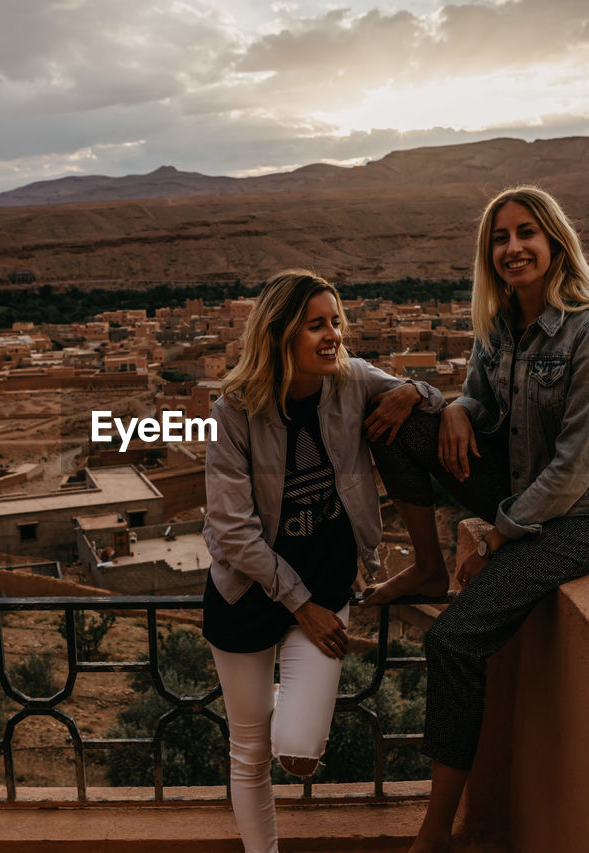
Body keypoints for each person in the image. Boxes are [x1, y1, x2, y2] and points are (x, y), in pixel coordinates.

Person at [361, 186, 589, 852]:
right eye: (500, 237)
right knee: (395, 425)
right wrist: (442, 402)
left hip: (579, 518)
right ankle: (427, 568)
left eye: (526, 233)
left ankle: (436, 831)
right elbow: (478, 409)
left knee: (454, 642)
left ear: (554, 242)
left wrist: (495, 526)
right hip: (515, 486)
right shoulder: (497, 326)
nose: (512, 247)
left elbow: (571, 472)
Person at [202, 269, 445, 853]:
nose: (332, 335)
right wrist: (299, 604)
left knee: (299, 755)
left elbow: (424, 396)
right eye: (316, 325)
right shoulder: (233, 411)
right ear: (281, 335)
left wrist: (418, 392)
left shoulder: (352, 381)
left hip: (326, 596)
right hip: (248, 598)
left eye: (336, 321)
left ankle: (284, 696)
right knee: (250, 753)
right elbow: (232, 532)